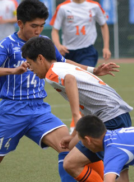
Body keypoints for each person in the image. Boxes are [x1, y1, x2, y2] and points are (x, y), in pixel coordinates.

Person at [0, 0, 118, 182]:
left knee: (67, 146)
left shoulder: (42, 42)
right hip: (11, 110)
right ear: (20, 23)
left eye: (42, 26)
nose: (38, 30)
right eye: (34, 26)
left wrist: (92, 70)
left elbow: (62, 61)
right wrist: (12, 71)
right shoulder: (6, 44)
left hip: (39, 110)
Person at [21, 36, 132, 182]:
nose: (30, 68)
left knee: (72, 163)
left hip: (111, 117)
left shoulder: (52, 74)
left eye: (30, 63)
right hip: (115, 114)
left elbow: (71, 79)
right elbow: (75, 75)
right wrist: (74, 136)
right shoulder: (61, 66)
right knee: (74, 156)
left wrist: (75, 115)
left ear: (40, 58)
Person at [50, 0, 112, 132]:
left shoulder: (94, 6)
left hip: (87, 52)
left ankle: (76, 125)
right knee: (71, 87)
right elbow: (54, 30)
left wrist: (106, 47)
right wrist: (58, 46)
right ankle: (81, 119)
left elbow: (104, 25)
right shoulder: (63, 8)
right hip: (68, 53)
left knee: (82, 84)